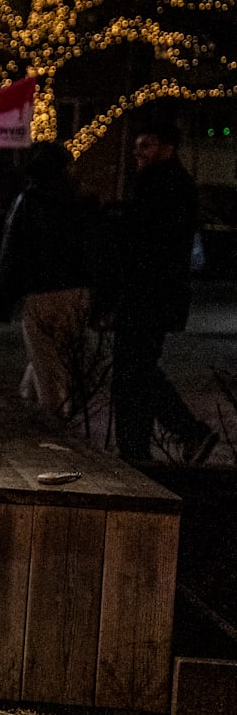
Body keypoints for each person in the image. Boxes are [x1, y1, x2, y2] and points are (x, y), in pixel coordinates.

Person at [111, 123, 215, 462]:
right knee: (137, 369)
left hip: (146, 294)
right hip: (155, 295)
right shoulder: (173, 184)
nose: (138, 151)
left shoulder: (159, 185)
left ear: (167, 146)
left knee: (133, 370)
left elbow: (142, 243)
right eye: (137, 144)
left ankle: (176, 432)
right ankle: (139, 446)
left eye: (147, 144)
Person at [0, 143, 109, 422]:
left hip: (40, 294)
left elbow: (12, 252)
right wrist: (102, 298)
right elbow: (100, 252)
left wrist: (2, 299)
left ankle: (53, 422)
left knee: (46, 362)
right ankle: (33, 404)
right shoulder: (85, 203)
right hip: (77, 293)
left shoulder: (29, 203)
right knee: (60, 358)